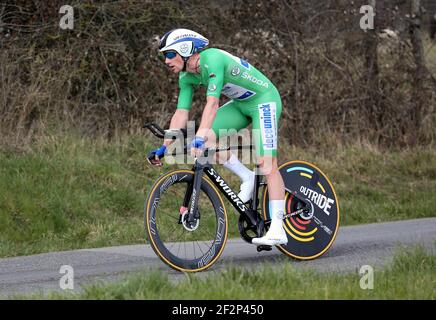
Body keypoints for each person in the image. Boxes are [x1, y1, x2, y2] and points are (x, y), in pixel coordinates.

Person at [148, 28, 287, 246]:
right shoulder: (186, 76)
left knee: (266, 163)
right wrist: (164, 147)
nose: (166, 60)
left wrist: (200, 135)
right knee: (208, 142)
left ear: (185, 50)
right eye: (164, 55)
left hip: (264, 100)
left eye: (169, 54)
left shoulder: (212, 59)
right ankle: (248, 177)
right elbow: (181, 113)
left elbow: (212, 103)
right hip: (241, 105)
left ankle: (279, 228)